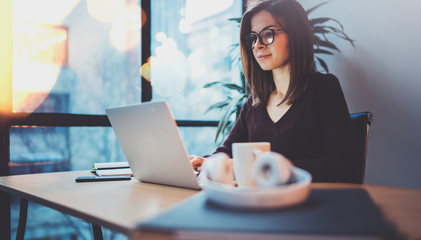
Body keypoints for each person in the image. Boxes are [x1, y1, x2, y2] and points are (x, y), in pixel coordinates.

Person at [190, 0, 360, 183]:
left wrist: (265, 168)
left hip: (309, 204)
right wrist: (206, 162)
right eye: (253, 38)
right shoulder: (254, 103)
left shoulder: (323, 89)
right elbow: (226, 151)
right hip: (257, 205)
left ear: (295, 34)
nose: (257, 45)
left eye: (268, 34)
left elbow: (346, 165)